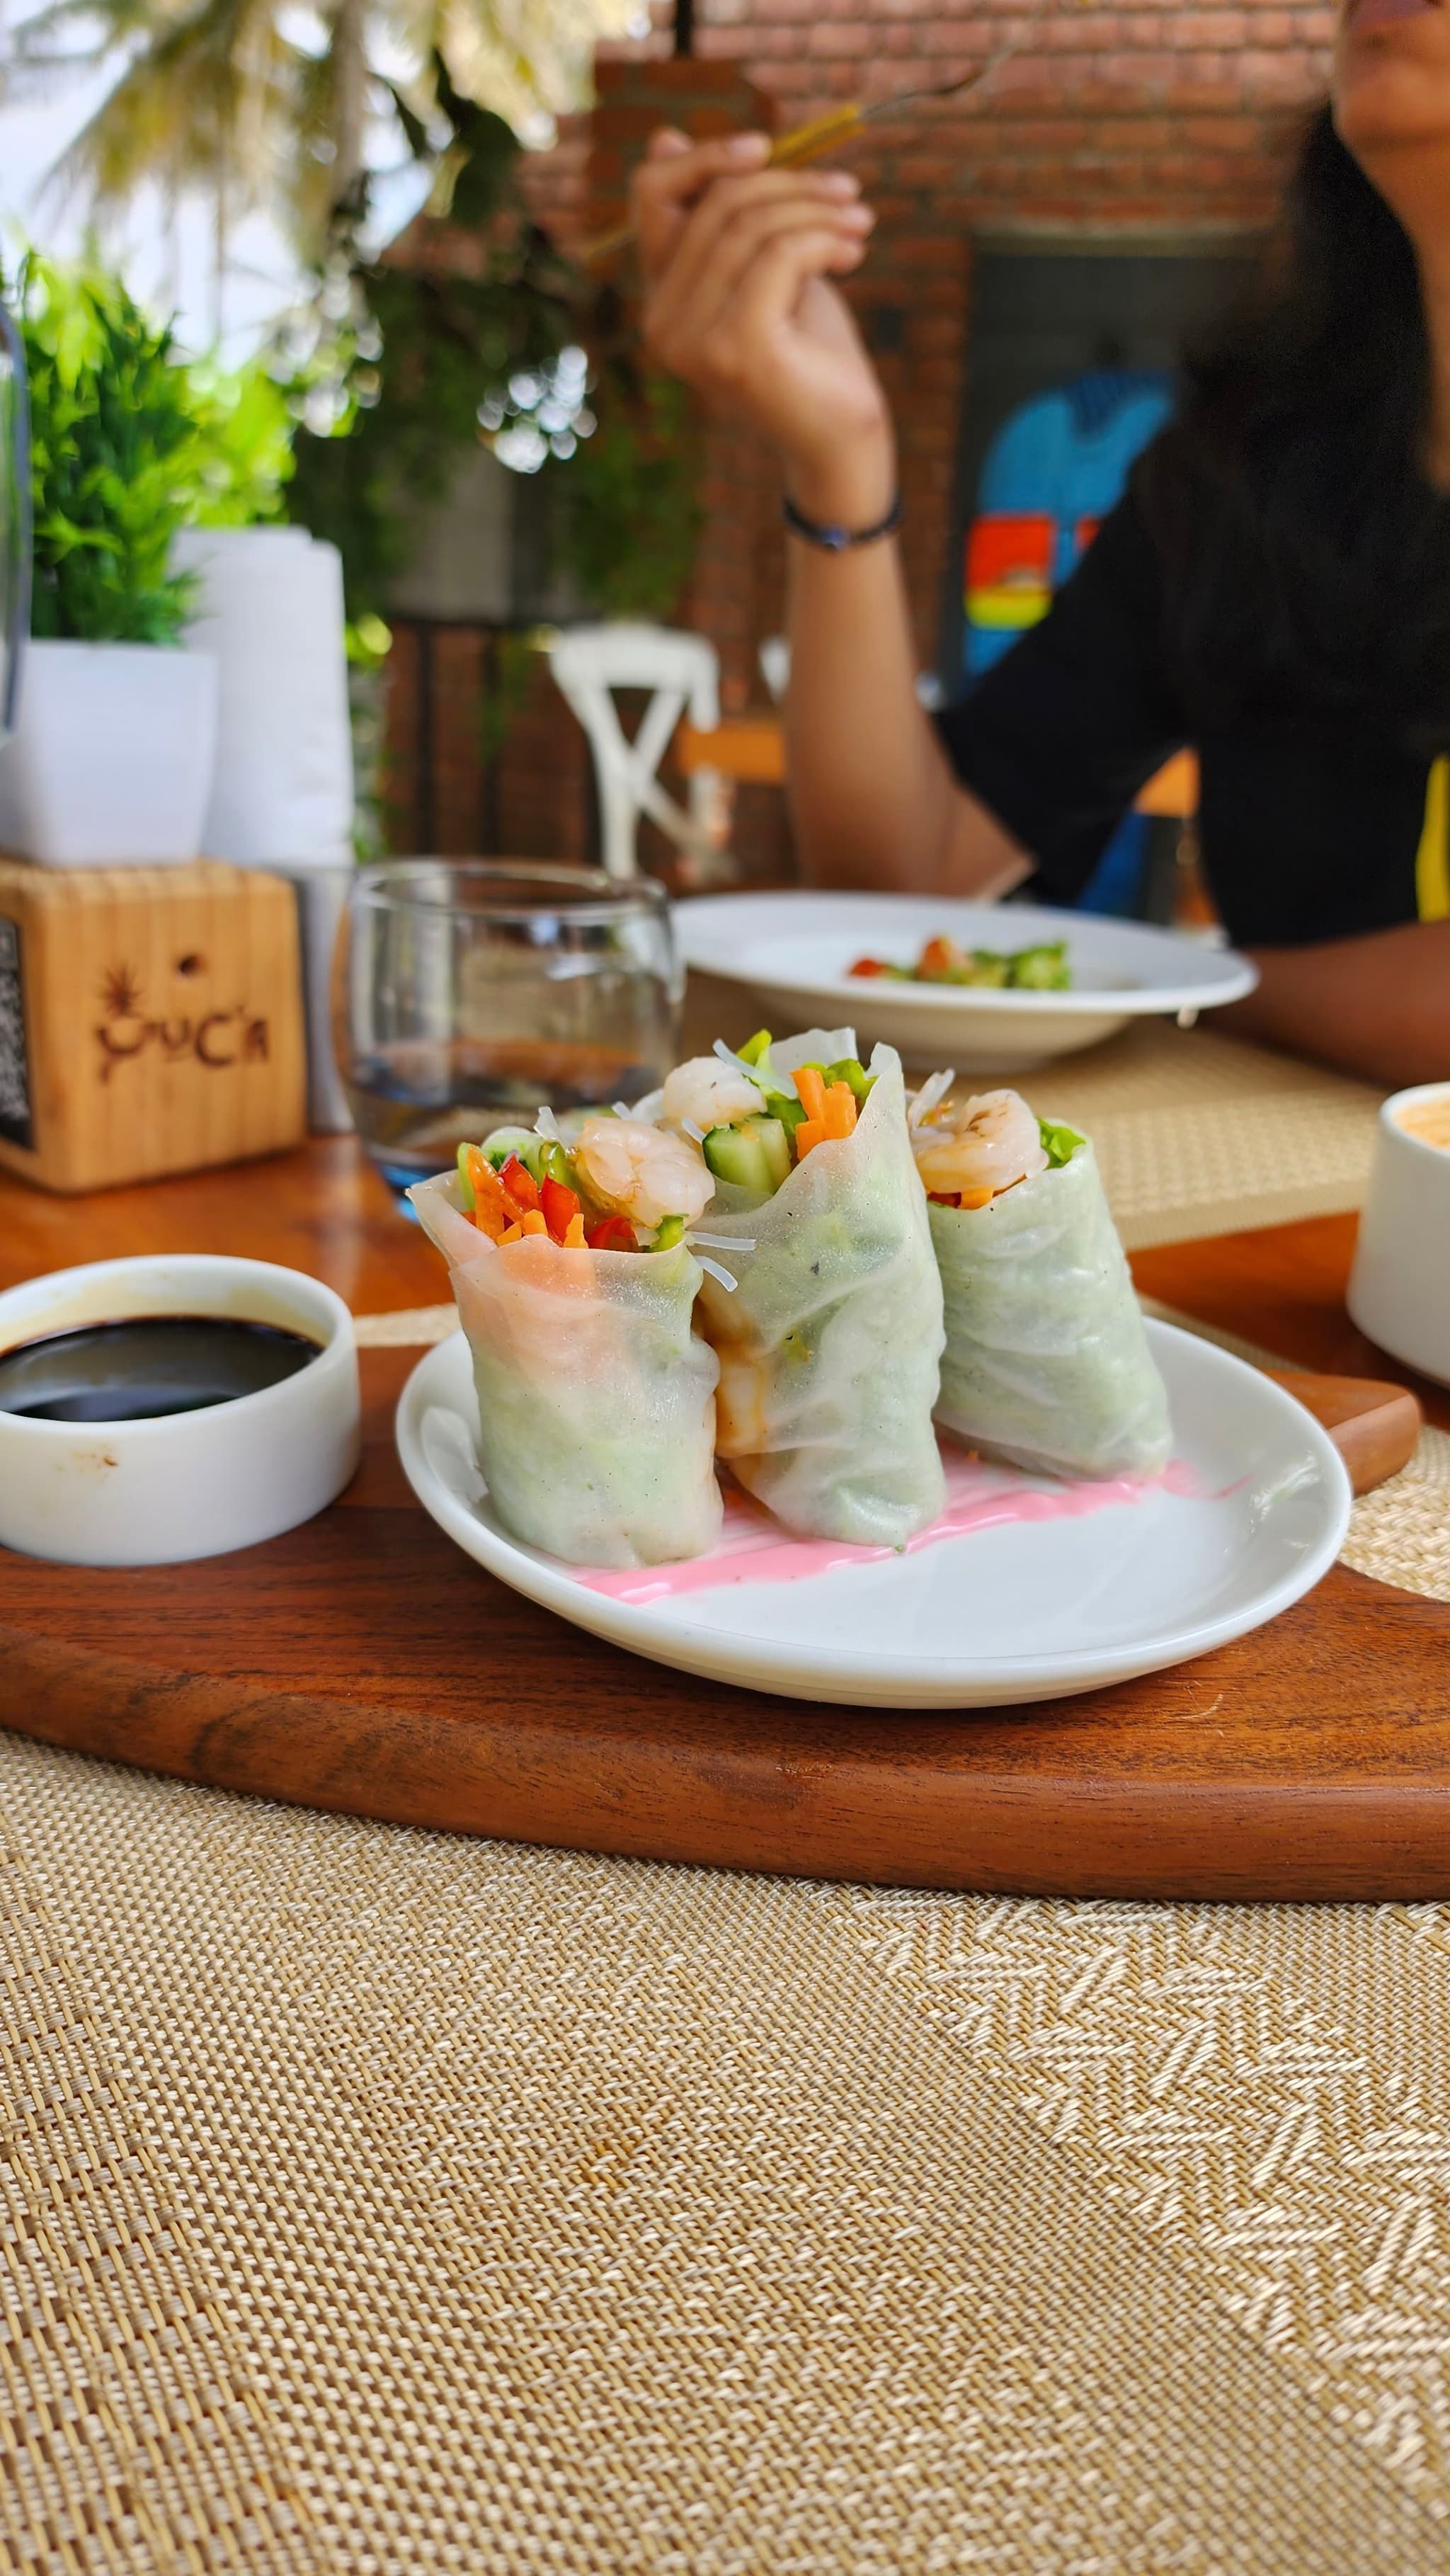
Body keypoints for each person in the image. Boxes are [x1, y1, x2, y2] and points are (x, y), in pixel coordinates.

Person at [631, 0, 1450, 1088]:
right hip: (1293, 1230)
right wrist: (840, 455)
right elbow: (902, 882)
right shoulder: (1246, 486)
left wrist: (1191, 986)